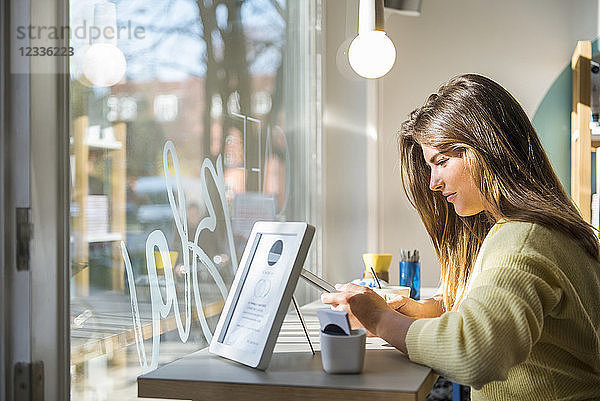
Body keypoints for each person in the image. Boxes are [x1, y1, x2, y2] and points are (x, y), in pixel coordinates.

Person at [322, 74, 600, 401]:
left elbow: (475, 353)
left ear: (488, 149)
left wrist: (380, 319)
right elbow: (500, 315)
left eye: (441, 161)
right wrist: (416, 311)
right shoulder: (549, 231)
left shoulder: (522, 239)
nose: (433, 184)